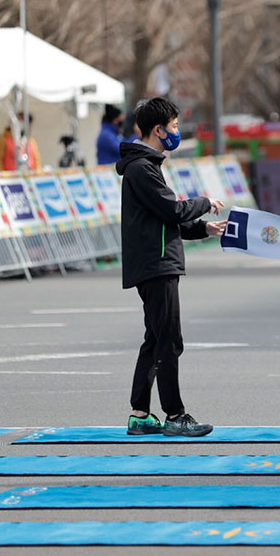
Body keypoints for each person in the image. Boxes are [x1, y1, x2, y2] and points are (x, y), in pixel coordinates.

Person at [116, 97, 226, 438]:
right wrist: (204, 203)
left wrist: (203, 228)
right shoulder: (142, 169)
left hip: (156, 260)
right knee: (169, 341)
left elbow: (165, 220)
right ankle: (175, 415)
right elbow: (173, 212)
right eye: (175, 127)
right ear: (158, 130)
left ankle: (140, 414)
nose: (177, 133)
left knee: (156, 338)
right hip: (156, 264)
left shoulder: (147, 166)